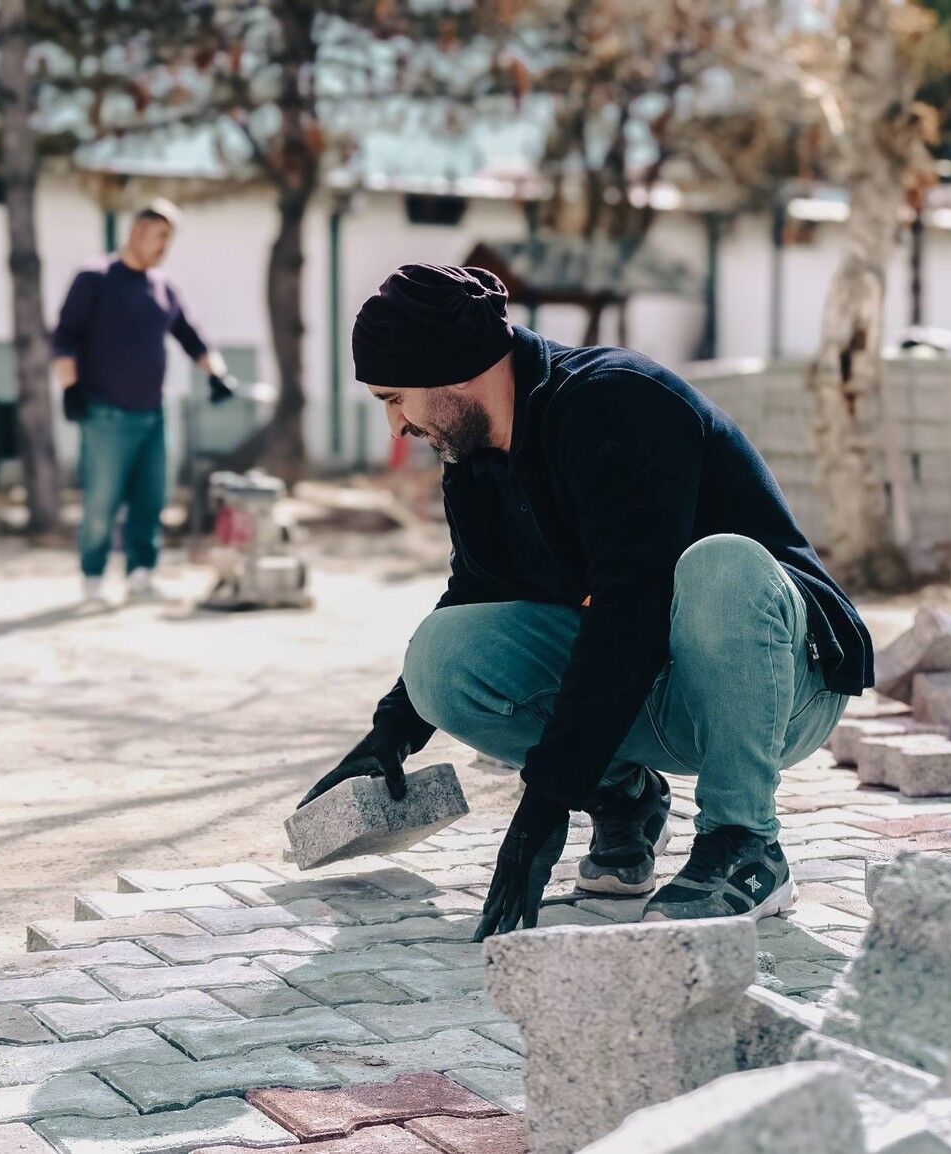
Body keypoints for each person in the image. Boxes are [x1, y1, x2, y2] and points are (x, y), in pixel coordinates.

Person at [298, 264, 873, 939]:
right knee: (442, 658)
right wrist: (390, 734)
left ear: (452, 370)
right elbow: (478, 590)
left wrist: (545, 801)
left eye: (395, 398)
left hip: (778, 684)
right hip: (661, 693)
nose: (396, 425)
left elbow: (629, 608)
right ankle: (626, 795)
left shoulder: (617, 403)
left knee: (719, 566)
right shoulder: (475, 457)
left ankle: (745, 844)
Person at [52, 199, 231, 604]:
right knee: (101, 503)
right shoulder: (94, 278)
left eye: (171, 237)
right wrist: (69, 387)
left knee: (152, 499)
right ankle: (93, 578)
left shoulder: (164, 288)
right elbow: (64, 338)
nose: (166, 244)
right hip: (105, 414)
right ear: (136, 232)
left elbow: (192, 337)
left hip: (153, 414)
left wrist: (218, 375)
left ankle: (141, 574)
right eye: (161, 234)